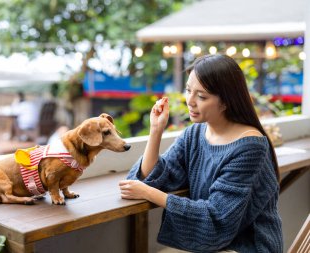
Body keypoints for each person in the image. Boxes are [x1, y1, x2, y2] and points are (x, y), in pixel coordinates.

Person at [119, 54, 283, 252]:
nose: (190, 101)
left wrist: (148, 193)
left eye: (202, 96)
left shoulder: (250, 146)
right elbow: (151, 178)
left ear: (226, 101)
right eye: (188, 90)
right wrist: (156, 131)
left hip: (248, 247)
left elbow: (217, 218)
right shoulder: (194, 134)